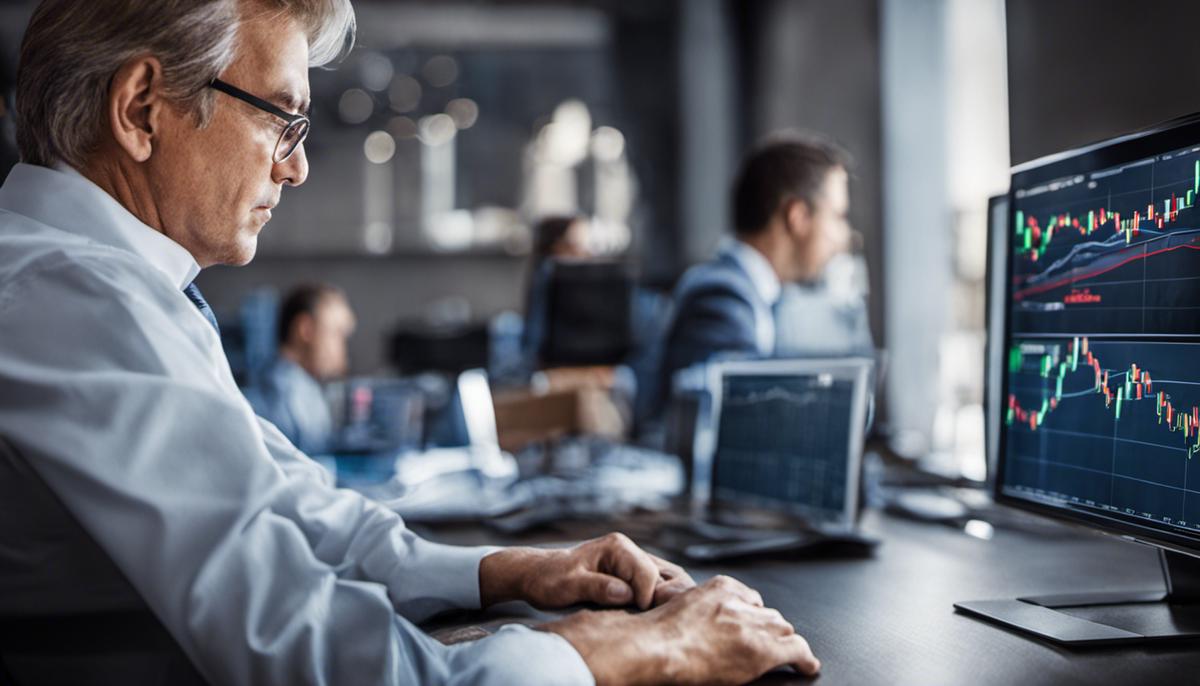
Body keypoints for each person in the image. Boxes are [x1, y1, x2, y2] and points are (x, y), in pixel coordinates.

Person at [0, 1, 819, 685]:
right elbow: (303, 652)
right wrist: (636, 648)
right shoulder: (68, 296)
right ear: (142, 107)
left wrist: (507, 571)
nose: (298, 169)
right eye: (284, 118)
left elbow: (292, 508)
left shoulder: (103, 286)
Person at [658, 135, 853, 404]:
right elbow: (725, 425)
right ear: (797, 217)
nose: (842, 237)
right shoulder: (723, 299)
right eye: (837, 216)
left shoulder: (746, 292)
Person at [244, 283, 355, 454]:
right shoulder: (280, 398)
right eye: (336, 333)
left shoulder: (305, 389)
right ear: (306, 330)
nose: (342, 350)